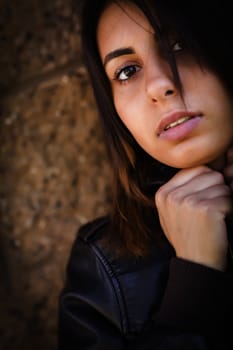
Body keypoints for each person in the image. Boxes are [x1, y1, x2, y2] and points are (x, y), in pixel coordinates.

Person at [58, 0, 233, 348]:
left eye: (179, 45)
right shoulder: (105, 267)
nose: (159, 85)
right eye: (127, 72)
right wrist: (195, 278)